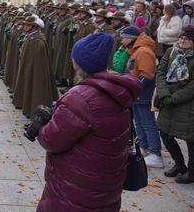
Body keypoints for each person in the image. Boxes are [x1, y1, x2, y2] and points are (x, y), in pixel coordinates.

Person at [36, 33, 143, 211]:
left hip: (78, 184)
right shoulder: (117, 91)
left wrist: (43, 125)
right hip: (106, 182)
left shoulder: (80, 98)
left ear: (80, 63)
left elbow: (51, 140)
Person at [119, 26, 163, 168]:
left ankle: (155, 153)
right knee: (138, 121)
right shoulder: (136, 50)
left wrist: (135, 87)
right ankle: (144, 147)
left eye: (124, 37)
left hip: (142, 93)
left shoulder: (143, 51)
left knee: (148, 122)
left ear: (131, 39)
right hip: (135, 93)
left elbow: (147, 74)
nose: (121, 40)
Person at [155, 27, 194, 183]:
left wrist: (173, 98)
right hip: (168, 99)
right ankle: (179, 165)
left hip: (188, 103)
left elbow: (192, 86)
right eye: (182, 37)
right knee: (165, 132)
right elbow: (160, 72)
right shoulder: (171, 52)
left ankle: (192, 171)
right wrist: (164, 94)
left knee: (190, 139)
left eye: (188, 38)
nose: (183, 40)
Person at [13, 15, 59, 119]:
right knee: (28, 86)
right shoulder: (30, 37)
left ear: (35, 27)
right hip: (28, 67)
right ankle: (28, 109)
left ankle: (35, 113)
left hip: (35, 71)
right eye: (25, 25)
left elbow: (39, 63)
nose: (25, 27)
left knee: (36, 89)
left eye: (28, 25)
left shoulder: (38, 41)